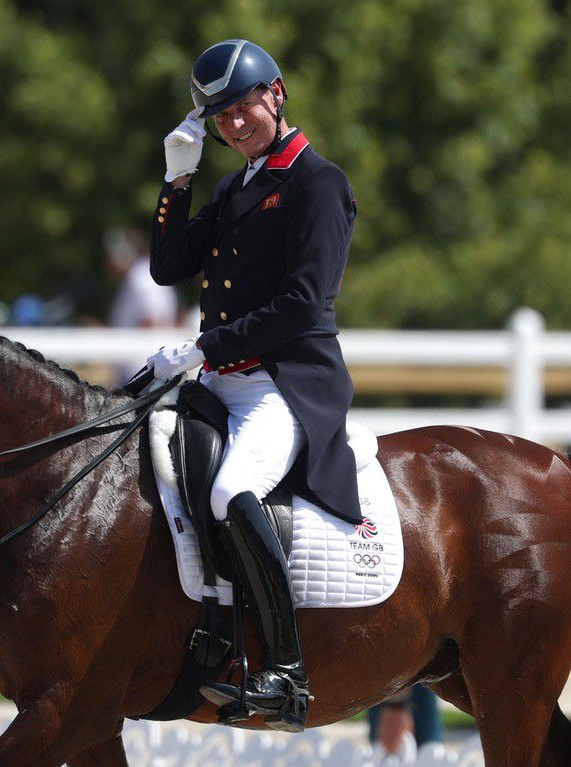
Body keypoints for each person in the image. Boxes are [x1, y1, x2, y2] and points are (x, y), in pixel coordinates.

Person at [145, 39, 362, 733]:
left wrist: (203, 345)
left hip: (284, 384)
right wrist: (176, 183)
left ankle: (287, 671)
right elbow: (168, 265)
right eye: (221, 118)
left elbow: (302, 305)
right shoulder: (233, 186)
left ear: (278, 93)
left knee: (227, 491)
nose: (234, 125)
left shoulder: (316, 182)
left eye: (243, 108)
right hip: (220, 382)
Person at [104, 228, 180, 382]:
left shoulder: (141, 277)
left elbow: (152, 319)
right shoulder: (141, 275)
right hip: (140, 368)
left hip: (141, 369)